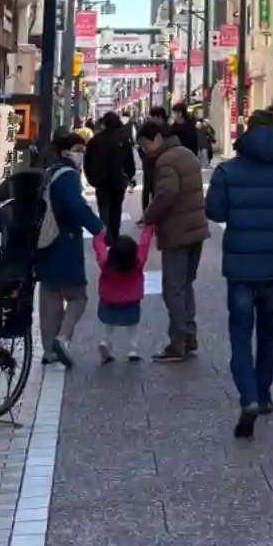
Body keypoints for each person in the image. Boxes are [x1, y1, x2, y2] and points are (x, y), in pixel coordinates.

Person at [205, 110, 273, 438]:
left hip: (239, 264)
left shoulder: (228, 170)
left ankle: (248, 396)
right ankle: (264, 395)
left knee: (240, 332)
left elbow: (214, 211)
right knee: (267, 332)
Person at [138, 119, 210, 362]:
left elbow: (166, 193)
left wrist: (149, 216)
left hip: (178, 231)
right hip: (196, 229)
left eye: (145, 145)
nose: (145, 150)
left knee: (173, 288)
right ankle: (189, 335)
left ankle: (178, 342)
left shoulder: (166, 160)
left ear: (157, 138)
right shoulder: (187, 154)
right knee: (185, 285)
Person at [36, 130, 102, 368]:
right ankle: (62, 339)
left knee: (50, 296)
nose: (81, 155)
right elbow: (76, 207)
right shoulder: (69, 176)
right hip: (64, 241)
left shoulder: (49, 172)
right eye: (77, 150)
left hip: (44, 242)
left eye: (83, 151)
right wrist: (98, 228)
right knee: (78, 296)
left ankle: (48, 350)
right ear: (65, 152)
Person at [92, 223, 153, 362]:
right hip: (131, 299)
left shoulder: (106, 264)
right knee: (132, 324)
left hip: (109, 297)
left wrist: (98, 234)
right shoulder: (138, 263)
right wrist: (149, 228)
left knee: (108, 322)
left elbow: (99, 248)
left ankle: (105, 341)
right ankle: (132, 349)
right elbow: (144, 244)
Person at [83, 111, 135, 246]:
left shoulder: (96, 140)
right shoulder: (123, 139)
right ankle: (115, 236)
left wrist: (91, 179)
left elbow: (87, 162)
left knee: (104, 208)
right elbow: (129, 161)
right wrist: (129, 176)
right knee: (116, 208)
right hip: (119, 181)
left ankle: (107, 236)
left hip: (101, 182)